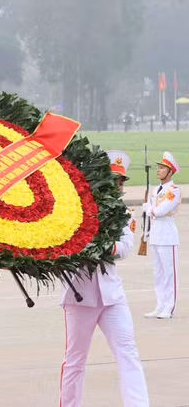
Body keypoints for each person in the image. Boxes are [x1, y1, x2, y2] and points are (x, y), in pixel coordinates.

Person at [59, 151, 149, 406]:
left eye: (121, 181)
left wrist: (104, 247)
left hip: (112, 297)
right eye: (113, 180)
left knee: (128, 353)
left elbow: (125, 247)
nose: (118, 185)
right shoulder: (77, 208)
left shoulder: (124, 214)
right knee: (75, 359)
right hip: (79, 296)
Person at [143, 151, 181, 319]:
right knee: (158, 273)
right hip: (156, 235)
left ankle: (169, 306)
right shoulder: (156, 189)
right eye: (158, 167)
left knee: (169, 273)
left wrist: (149, 209)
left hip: (168, 236)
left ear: (170, 171)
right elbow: (154, 214)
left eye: (162, 168)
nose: (158, 170)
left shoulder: (174, 190)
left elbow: (161, 211)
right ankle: (159, 305)